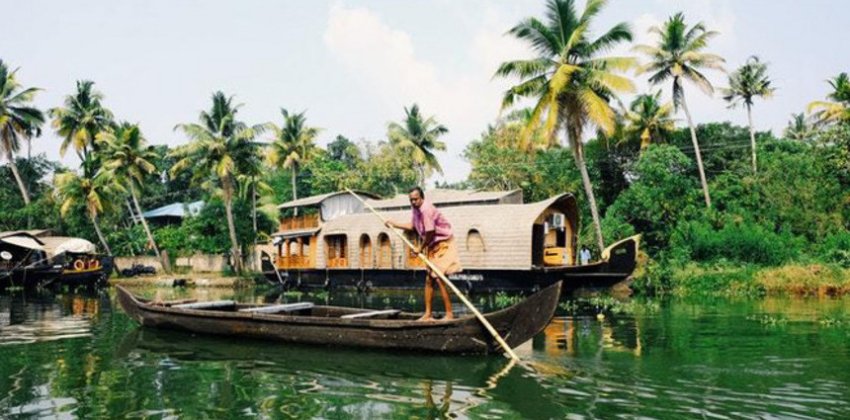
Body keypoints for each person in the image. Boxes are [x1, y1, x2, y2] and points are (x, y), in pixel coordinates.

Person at [385, 187, 462, 321]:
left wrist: (420, 248)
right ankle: (428, 314)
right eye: (411, 200)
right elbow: (413, 226)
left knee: (439, 277)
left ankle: (449, 314)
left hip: (444, 244)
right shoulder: (416, 210)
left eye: (416, 199)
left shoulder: (426, 210)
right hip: (433, 245)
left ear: (422, 198)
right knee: (429, 280)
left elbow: (430, 232)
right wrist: (394, 224)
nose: (413, 202)